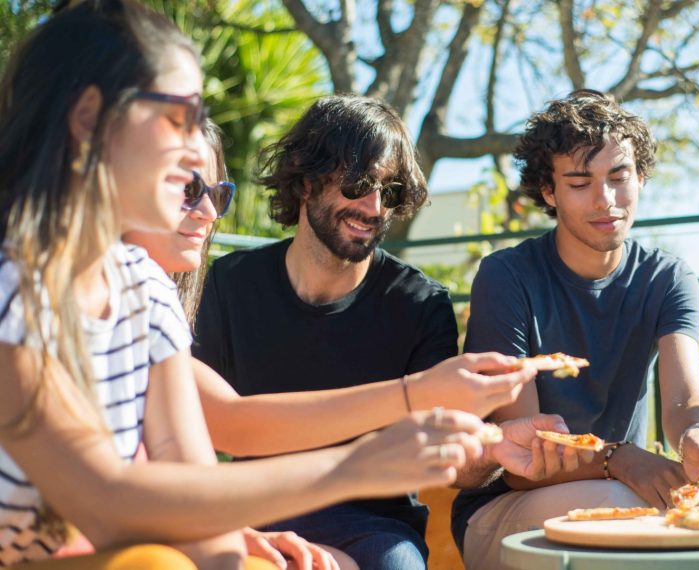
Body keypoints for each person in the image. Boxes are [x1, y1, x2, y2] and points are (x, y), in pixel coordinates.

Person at [0, 2, 485, 568]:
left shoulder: (145, 289)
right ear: (88, 119)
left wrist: (234, 551)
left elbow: (193, 489)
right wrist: (355, 465)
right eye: (179, 118)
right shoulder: (14, 286)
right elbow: (108, 502)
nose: (196, 151)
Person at [124, 119, 536, 569]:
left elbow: (452, 455)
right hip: (252, 501)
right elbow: (226, 423)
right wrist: (412, 396)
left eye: (390, 192)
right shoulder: (220, 284)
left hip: (371, 525)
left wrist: (491, 449)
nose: (374, 206)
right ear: (306, 182)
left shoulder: (420, 302)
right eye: (359, 185)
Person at [450, 90, 699, 570]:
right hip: (509, 506)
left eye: (619, 177)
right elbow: (526, 465)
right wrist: (618, 458)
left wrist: (697, 438)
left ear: (640, 176)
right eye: (579, 183)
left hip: (628, 482)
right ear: (548, 191)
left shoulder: (668, 277)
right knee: (618, 515)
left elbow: (685, 399)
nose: (605, 201)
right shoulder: (507, 276)